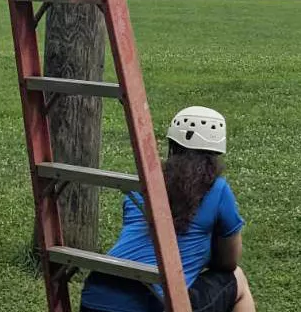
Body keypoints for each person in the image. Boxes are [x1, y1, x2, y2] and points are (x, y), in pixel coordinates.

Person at [79, 106, 255, 312]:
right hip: (155, 304)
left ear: (172, 145)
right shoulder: (217, 190)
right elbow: (228, 262)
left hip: (93, 300)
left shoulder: (141, 188)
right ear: (216, 154)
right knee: (237, 279)